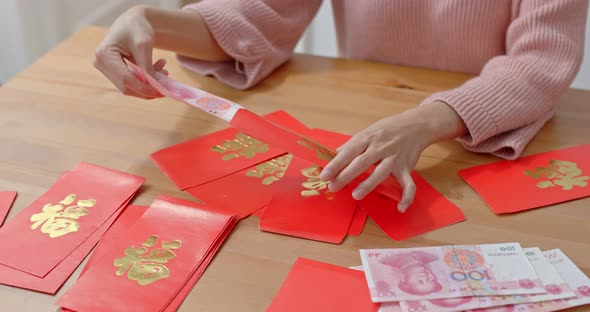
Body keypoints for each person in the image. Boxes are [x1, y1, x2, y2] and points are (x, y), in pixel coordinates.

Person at [94, 1, 588, 212]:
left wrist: (423, 121)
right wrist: (147, 19)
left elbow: (541, 63)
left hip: (473, 142)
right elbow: (255, 15)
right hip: (362, 119)